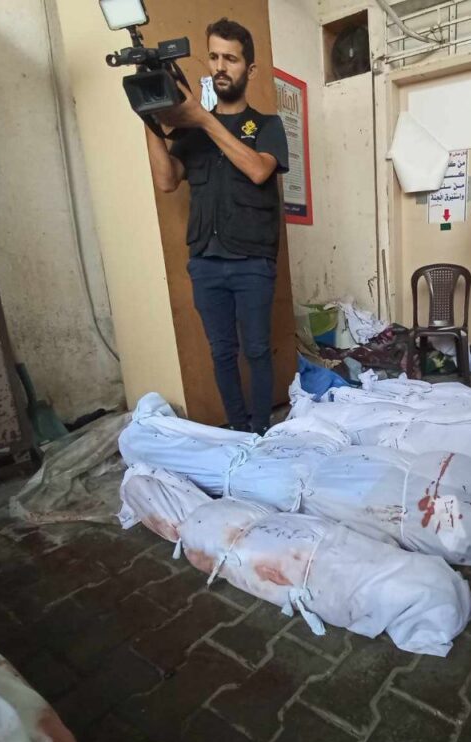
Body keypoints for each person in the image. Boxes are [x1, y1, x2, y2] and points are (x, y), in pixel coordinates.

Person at [144, 18, 289, 435]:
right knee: (222, 353)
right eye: (214, 57)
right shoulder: (189, 133)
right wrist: (149, 121)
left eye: (231, 58)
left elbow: (259, 170)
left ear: (250, 69)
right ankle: (237, 432)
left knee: (257, 350)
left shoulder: (267, 126)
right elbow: (167, 180)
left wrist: (204, 120)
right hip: (206, 262)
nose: (221, 66)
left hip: (252, 262)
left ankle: (260, 431)